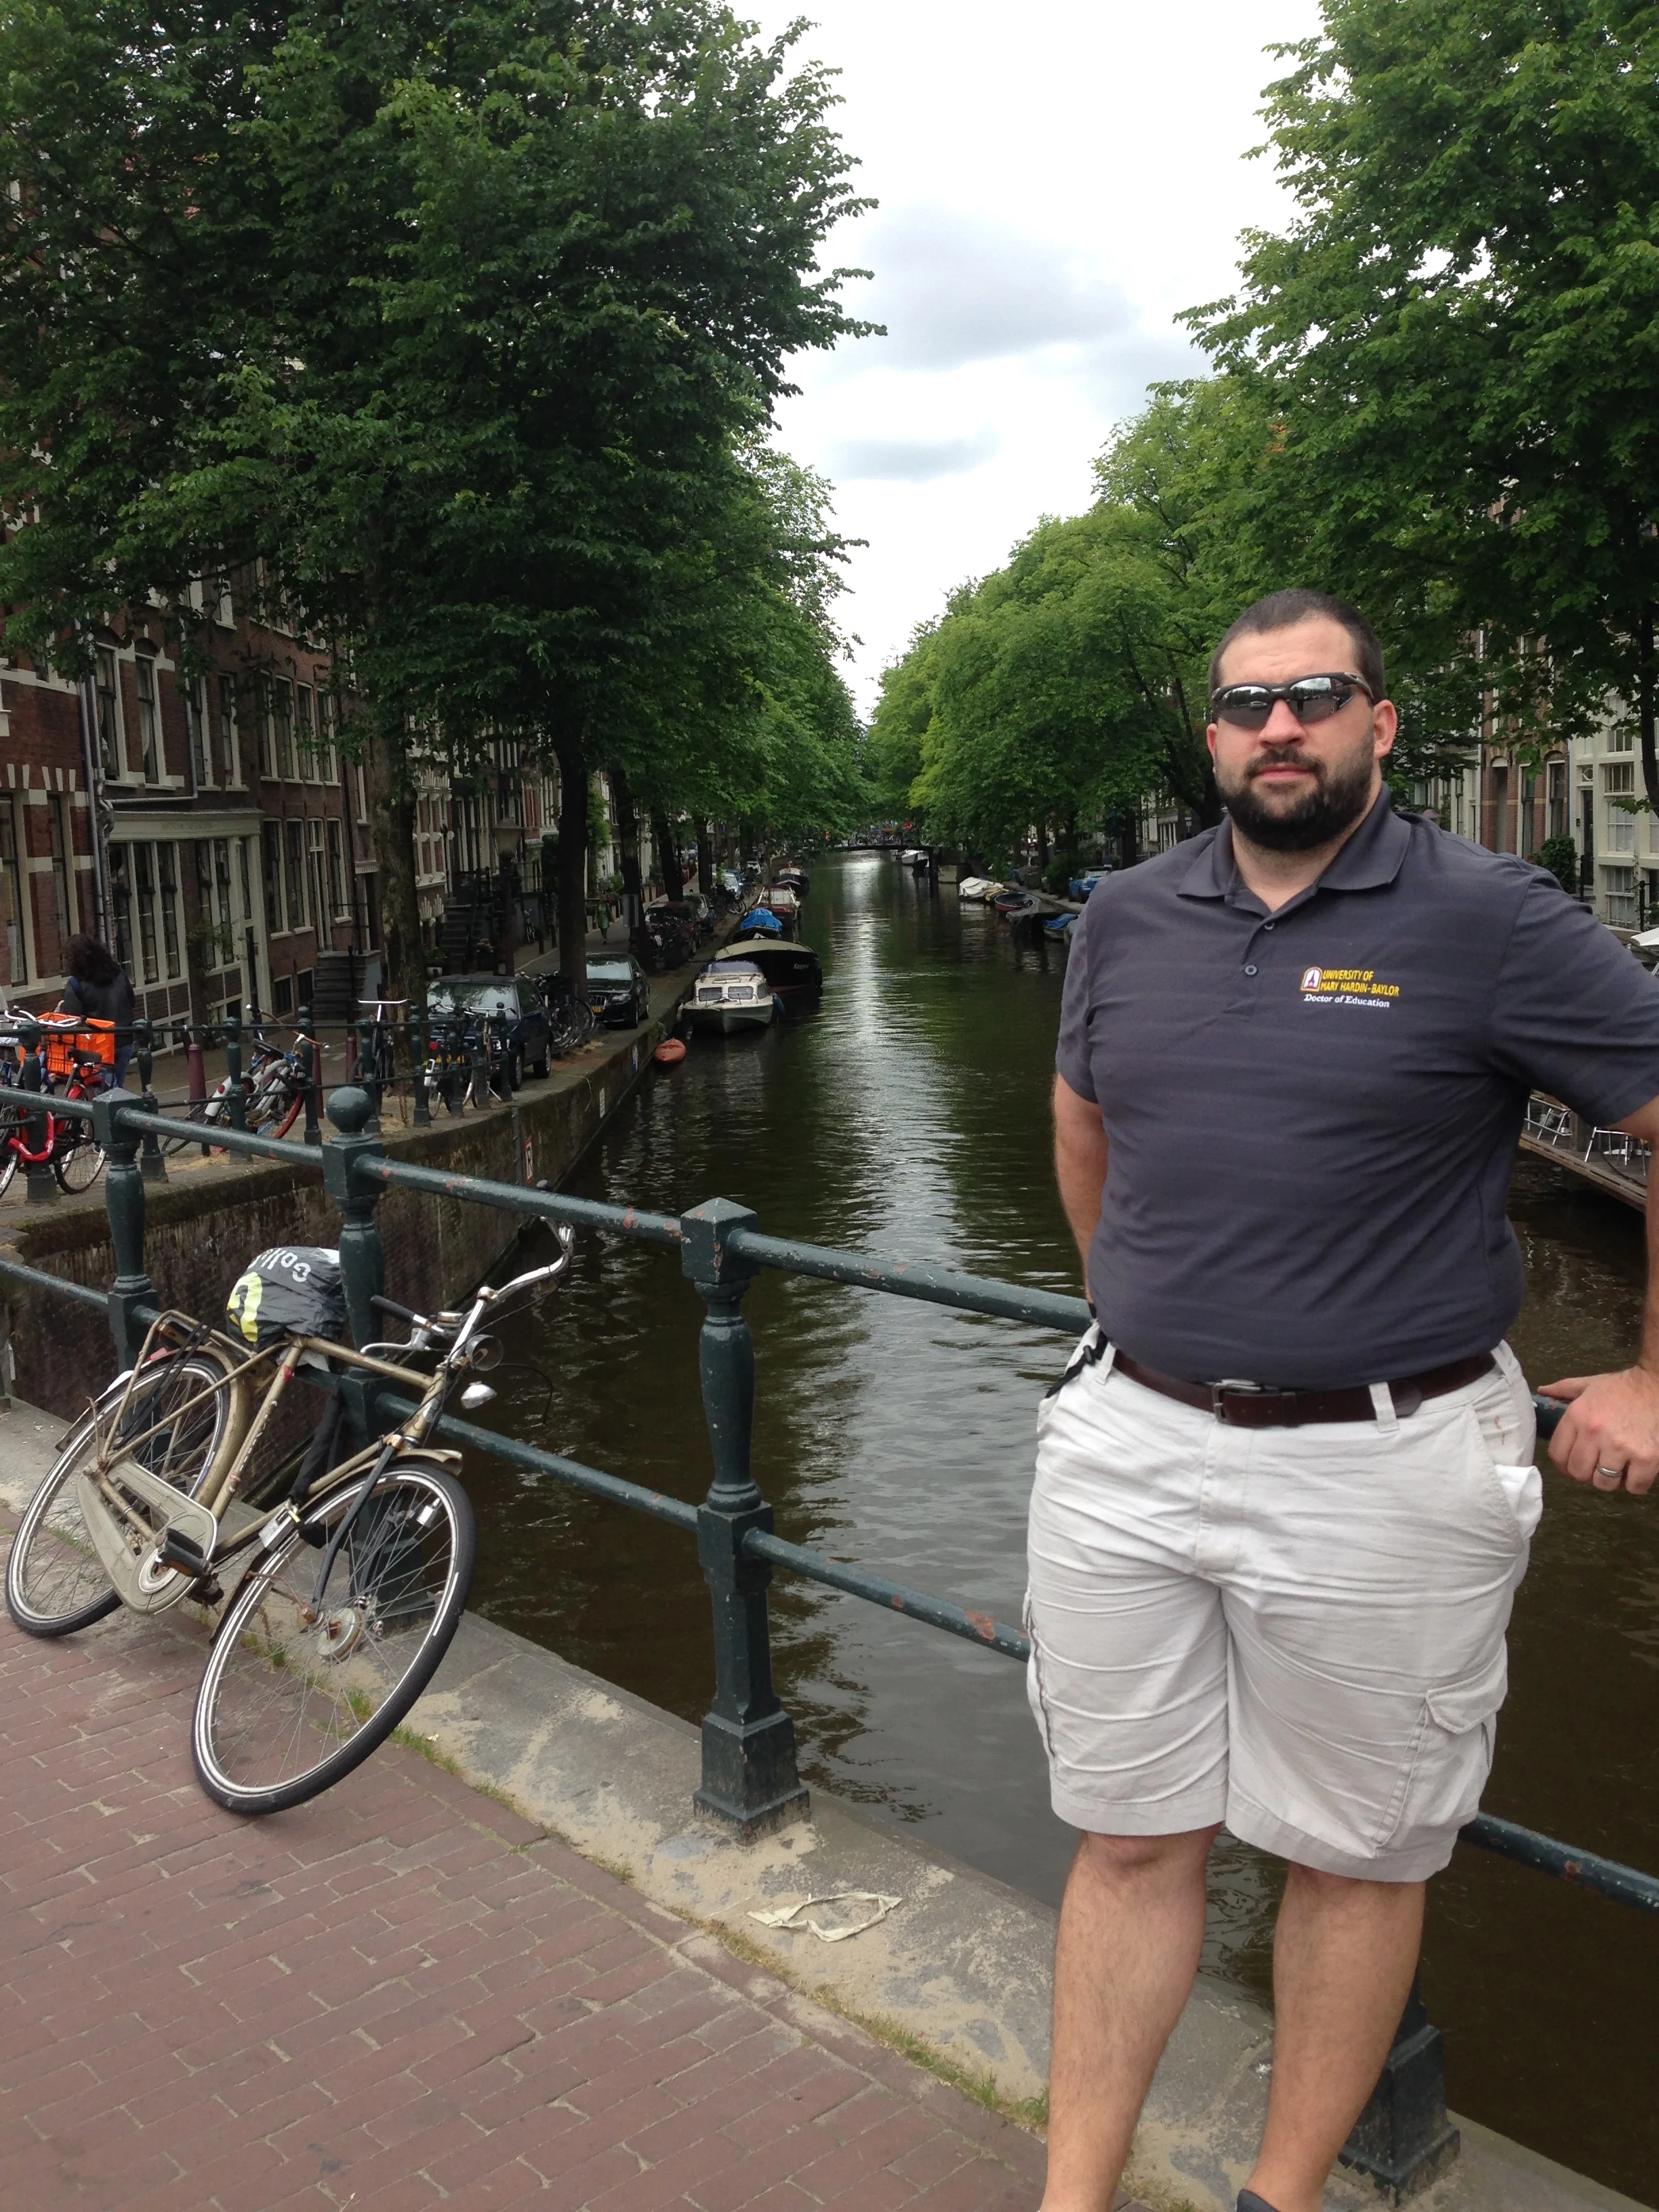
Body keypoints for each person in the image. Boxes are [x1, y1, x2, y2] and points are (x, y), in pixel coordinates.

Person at [1032, 588, 1659, 2212]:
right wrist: (1128, 1314)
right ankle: (1068, 2198)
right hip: (1127, 1441)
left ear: (1378, 722)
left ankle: (1278, 2195)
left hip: (1385, 1461)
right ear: (1212, 738)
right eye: (1244, 705)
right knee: (1122, 1836)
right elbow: (1079, 1120)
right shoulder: (1126, 912)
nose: (1276, 727)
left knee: (1352, 1852)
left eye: (1313, 696)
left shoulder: (1488, 916)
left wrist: (1655, 1375)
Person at [60, 933, 136, 1085]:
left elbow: (72, 1020)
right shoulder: (119, 974)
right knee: (116, 1089)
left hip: (98, 1048)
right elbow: (132, 1001)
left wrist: (60, 1010)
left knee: (101, 1096)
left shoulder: (76, 985)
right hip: (124, 1039)